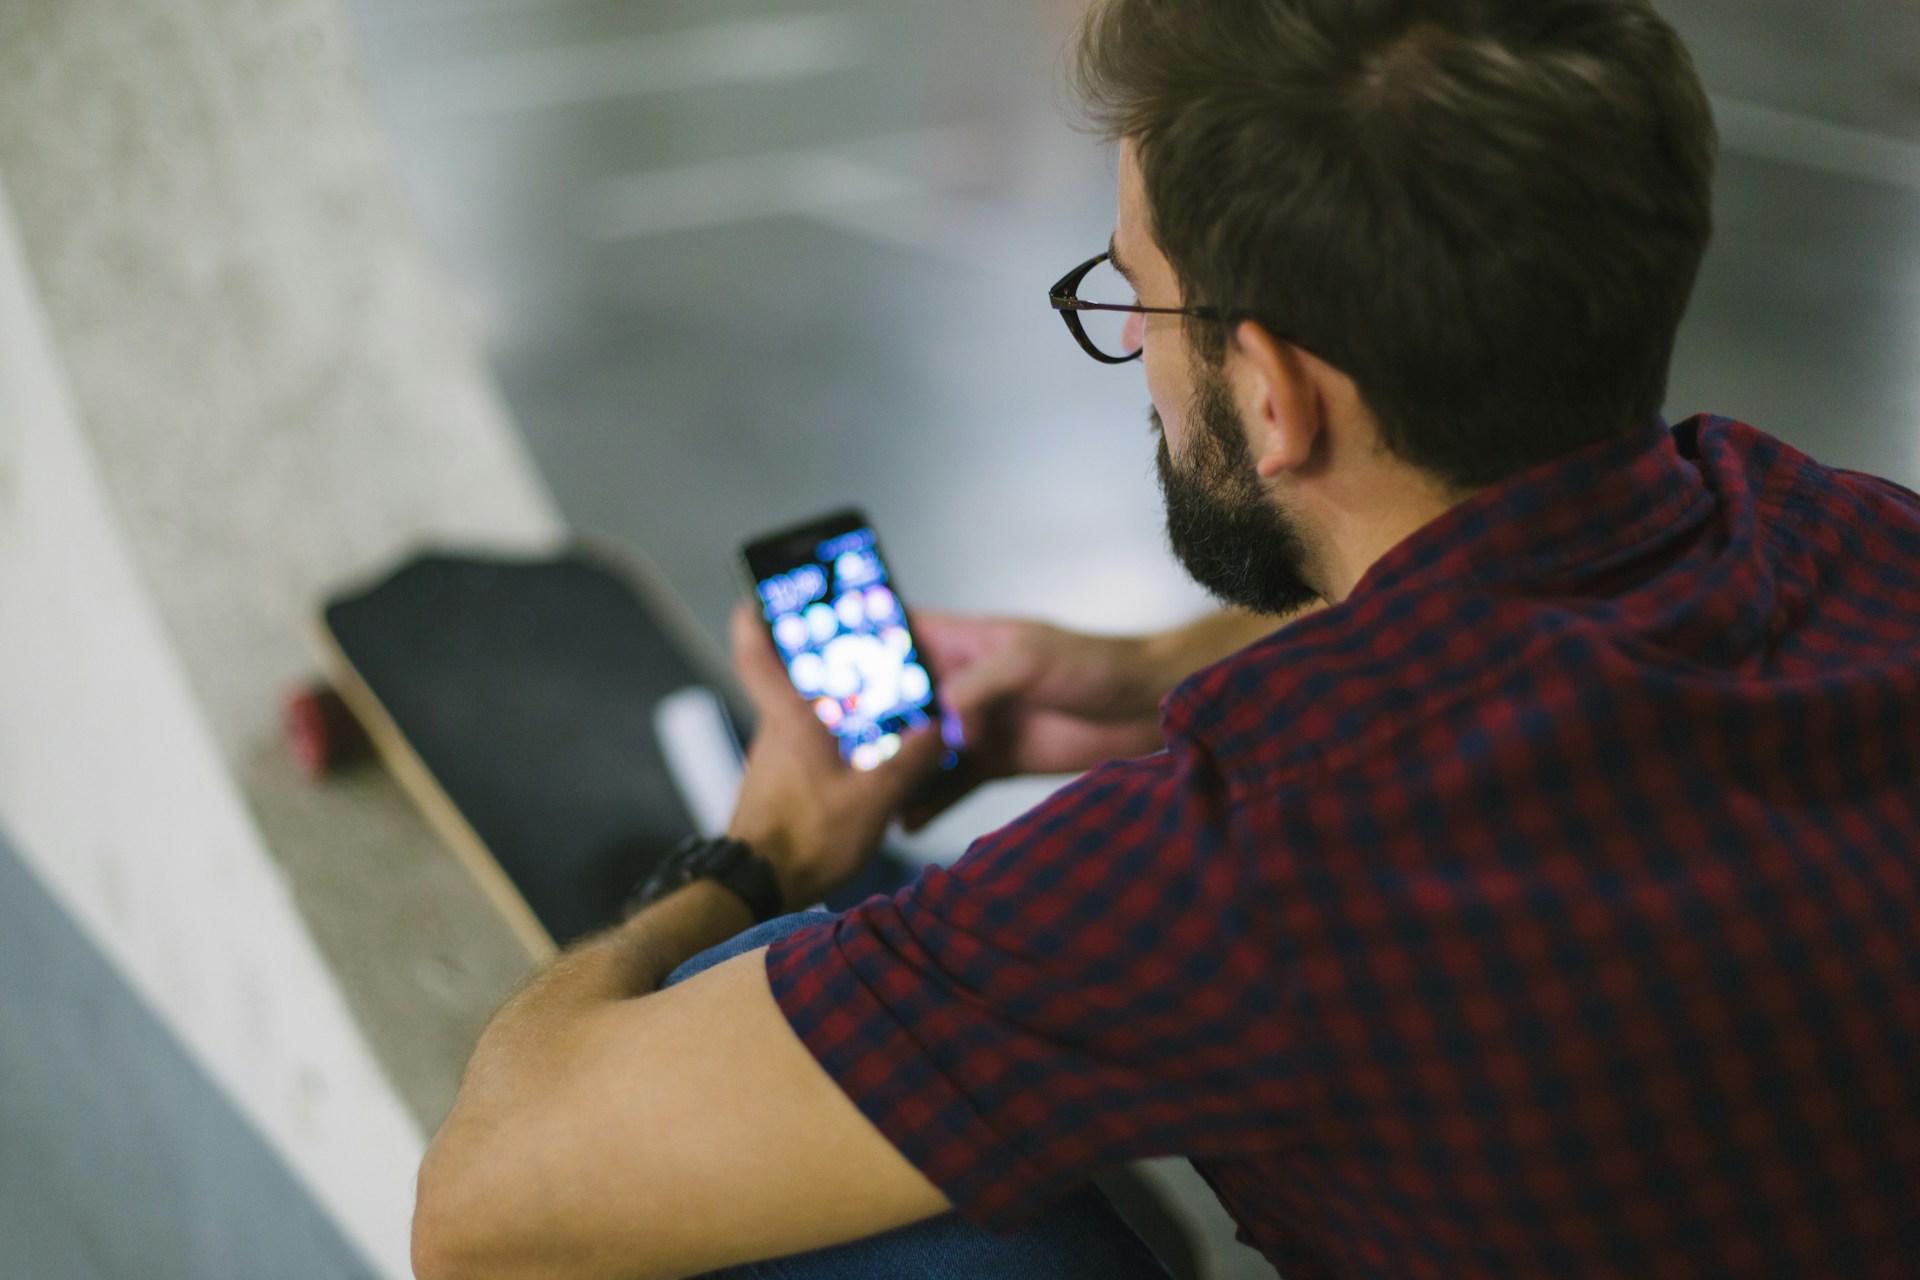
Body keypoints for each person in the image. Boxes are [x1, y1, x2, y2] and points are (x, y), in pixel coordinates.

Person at [411, 0, 1920, 1276]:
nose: (1136, 346)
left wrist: (763, 853)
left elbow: (486, 1210)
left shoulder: (1234, 871)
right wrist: (1138, 683)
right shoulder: (1861, 539)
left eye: (1138, 294)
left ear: (1271, 394)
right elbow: (1513, 629)